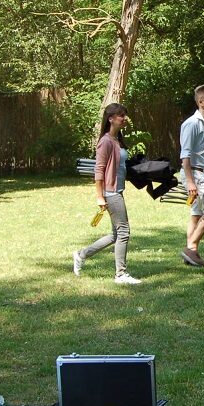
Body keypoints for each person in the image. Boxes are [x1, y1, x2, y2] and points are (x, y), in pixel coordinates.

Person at [73, 103, 141, 285]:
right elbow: (99, 170)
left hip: (116, 190)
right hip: (110, 193)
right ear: (111, 118)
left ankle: (81, 255)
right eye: (121, 115)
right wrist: (100, 197)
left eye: (125, 115)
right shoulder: (105, 141)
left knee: (115, 235)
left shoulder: (117, 139)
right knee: (124, 232)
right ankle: (121, 274)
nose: (124, 118)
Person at [179, 84, 204, 267]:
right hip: (193, 174)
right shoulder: (191, 124)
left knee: (196, 215)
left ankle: (191, 255)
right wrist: (190, 182)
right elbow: (185, 157)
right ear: (201, 102)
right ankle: (192, 247)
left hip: (203, 173)